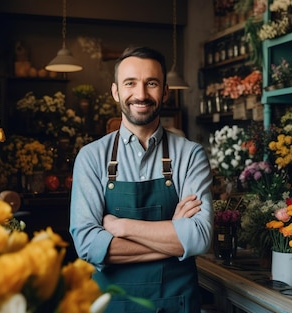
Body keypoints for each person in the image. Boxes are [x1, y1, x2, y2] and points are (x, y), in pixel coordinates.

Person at [69, 46, 214, 313]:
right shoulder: (91, 157)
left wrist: (121, 226)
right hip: (111, 306)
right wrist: (173, 234)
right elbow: (88, 246)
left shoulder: (190, 155)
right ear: (116, 91)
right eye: (130, 83)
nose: (141, 94)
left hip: (177, 304)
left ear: (165, 91)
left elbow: (200, 237)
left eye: (152, 83)